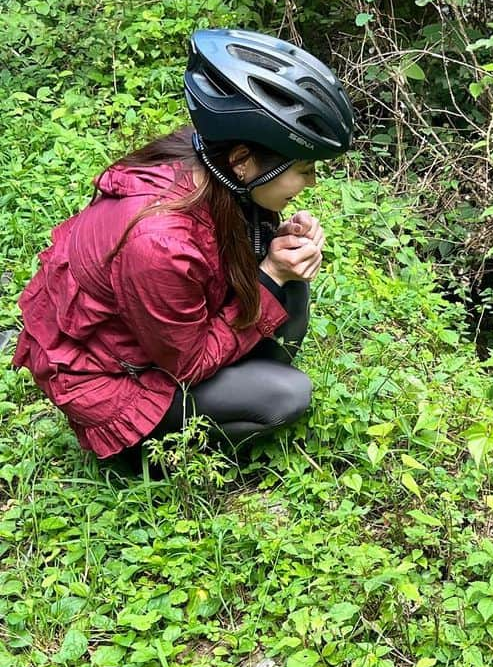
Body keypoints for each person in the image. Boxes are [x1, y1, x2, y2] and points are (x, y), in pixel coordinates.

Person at [13, 28, 353, 470]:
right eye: (304, 169)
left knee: (291, 288)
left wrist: (276, 239)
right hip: (114, 380)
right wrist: (270, 274)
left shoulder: (211, 166)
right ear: (242, 161)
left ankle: (246, 378)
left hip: (157, 339)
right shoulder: (160, 242)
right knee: (288, 395)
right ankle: (148, 459)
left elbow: (226, 240)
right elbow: (187, 364)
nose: (311, 183)